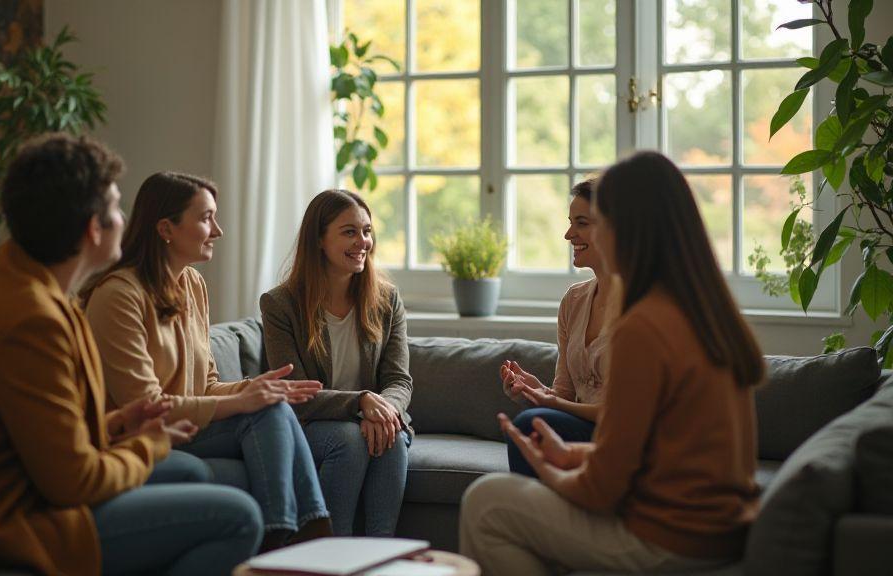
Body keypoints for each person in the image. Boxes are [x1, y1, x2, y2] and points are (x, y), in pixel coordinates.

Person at [0, 134, 262, 576]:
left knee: (190, 474)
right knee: (237, 516)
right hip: (20, 519)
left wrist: (118, 425)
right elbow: (73, 480)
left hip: (39, 492)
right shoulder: (30, 319)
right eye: (116, 207)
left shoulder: (40, 293)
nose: (125, 219)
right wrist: (149, 445)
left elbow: (50, 434)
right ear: (93, 228)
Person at [460, 151, 762, 574]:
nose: (583, 236)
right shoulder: (707, 312)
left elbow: (601, 491)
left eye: (599, 221)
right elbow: (657, 452)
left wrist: (545, 470)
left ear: (632, 229)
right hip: (721, 530)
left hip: (670, 539)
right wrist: (570, 455)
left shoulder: (643, 325)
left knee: (486, 501)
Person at [83, 171, 331, 552]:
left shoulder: (192, 285)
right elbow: (146, 409)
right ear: (166, 228)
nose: (217, 230)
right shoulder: (119, 296)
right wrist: (243, 401)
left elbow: (208, 384)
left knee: (272, 406)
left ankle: (297, 537)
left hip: (191, 428)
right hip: (146, 437)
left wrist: (255, 389)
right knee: (265, 411)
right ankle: (291, 540)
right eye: (205, 218)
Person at [260, 189, 412, 537]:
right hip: (311, 422)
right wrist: (359, 402)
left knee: (389, 437)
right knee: (349, 439)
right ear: (318, 240)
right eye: (349, 232)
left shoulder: (387, 300)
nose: (363, 241)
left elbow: (399, 380)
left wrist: (384, 411)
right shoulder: (280, 305)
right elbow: (294, 391)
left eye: (367, 231)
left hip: (376, 417)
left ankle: (379, 557)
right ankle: (329, 556)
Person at [501, 179, 609, 477]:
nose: (568, 234)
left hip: (626, 435)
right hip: (586, 427)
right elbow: (565, 394)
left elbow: (625, 413)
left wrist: (550, 402)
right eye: (570, 222)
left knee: (530, 423)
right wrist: (537, 391)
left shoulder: (643, 309)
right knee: (533, 422)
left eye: (581, 223)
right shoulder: (573, 301)